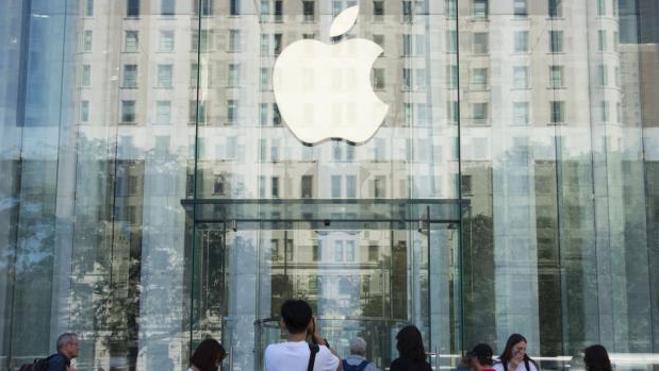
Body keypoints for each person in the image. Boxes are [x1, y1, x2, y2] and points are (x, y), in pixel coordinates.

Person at [264, 299, 340, 371]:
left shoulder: (271, 351)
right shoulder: (321, 353)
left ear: (283, 323)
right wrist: (317, 336)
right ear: (310, 323)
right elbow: (339, 366)